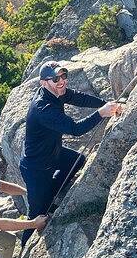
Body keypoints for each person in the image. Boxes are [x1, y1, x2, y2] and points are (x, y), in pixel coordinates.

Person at [20, 60, 121, 247]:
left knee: (78, 160)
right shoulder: (43, 108)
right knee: (35, 216)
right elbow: (74, 129)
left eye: (63, 76)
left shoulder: (55, 93)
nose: (62, 81)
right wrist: (101, 113)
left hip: (54, 153)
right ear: (43, 83)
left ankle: (49, 197)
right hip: (36, 167)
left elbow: (78, 98)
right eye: (55, 78)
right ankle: (23, 249)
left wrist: (107, 104)